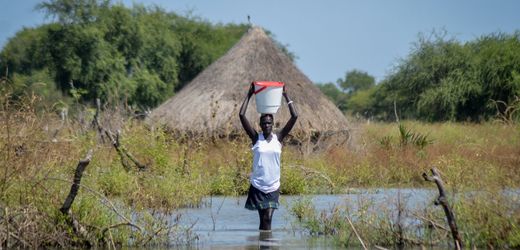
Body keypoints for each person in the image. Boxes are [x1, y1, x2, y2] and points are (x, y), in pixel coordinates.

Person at [239, 82, 298, 232]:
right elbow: (241, 115)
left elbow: (295, 116)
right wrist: (249, 94)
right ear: (260, 124)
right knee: (263, 219)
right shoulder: (255, 138)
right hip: (258, 185)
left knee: (268, 217)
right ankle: (264, 243)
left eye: (269, 123)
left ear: (273, 124)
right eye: (264, 123)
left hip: (273, 185)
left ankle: (266, 243)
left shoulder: (279, 138)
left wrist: (285, 95)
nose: (266, 125)